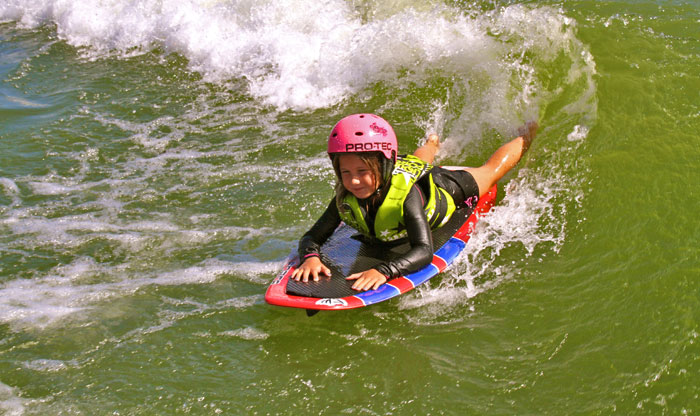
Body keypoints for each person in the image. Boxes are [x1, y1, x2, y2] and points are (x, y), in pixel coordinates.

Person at [291, 113, 537, 291]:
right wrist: (311, 256)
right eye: (346, 172)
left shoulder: (406, 196)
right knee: (417, 161)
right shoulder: (344, 197)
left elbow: (423, 251)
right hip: (403, 170)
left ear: (383, 166)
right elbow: (312, 236)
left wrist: (384, 271)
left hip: (445, 189)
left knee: (491, 171)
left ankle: (528, 132)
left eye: (362, 171)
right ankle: (432, 144)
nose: (354, 182)